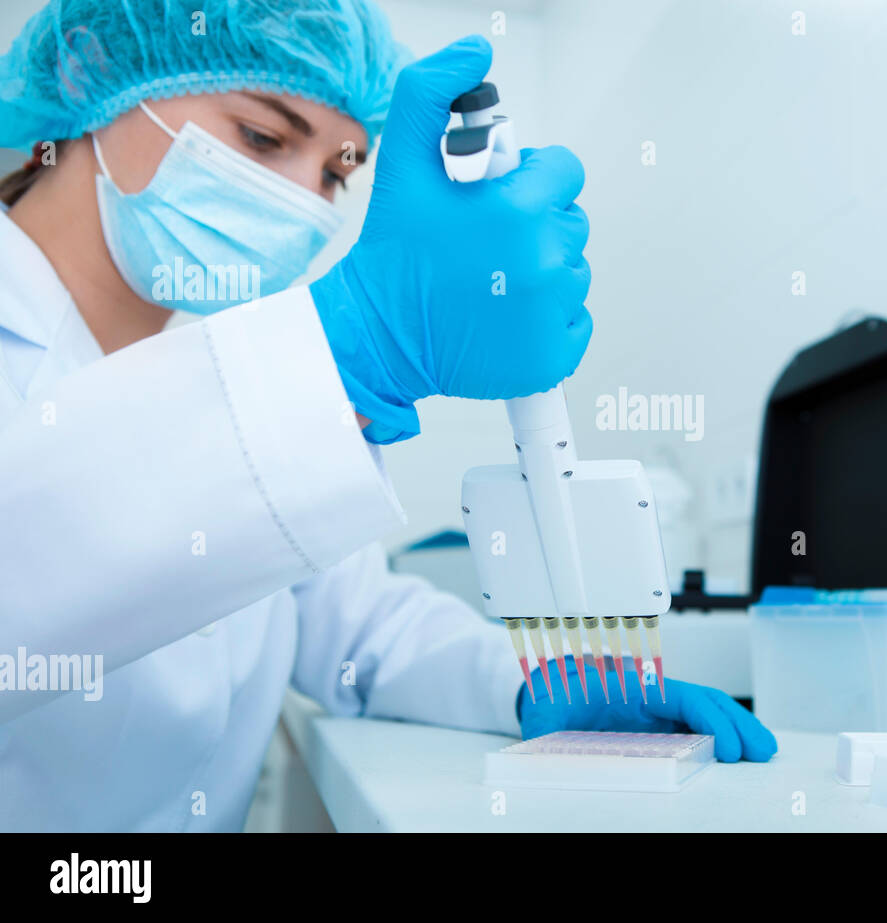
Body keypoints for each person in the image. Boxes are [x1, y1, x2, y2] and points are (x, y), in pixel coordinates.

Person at [0, 0, 776, 832]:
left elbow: (361, 624)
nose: (303, 201)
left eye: (337, 173)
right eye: (263, 138)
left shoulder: (228, 378)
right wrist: (355, 346)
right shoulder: (238, 390)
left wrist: (533, 683)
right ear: (84, 68)